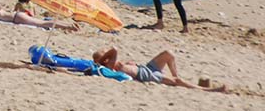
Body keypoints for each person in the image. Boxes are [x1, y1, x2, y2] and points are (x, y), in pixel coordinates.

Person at [92, 48, 225, 91]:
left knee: (168, 54)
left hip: (147, 68)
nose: (106, 54)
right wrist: (101, 60)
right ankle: (206, 89)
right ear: (103, 59)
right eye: (104, 54)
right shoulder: (108, 66)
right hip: (147, 76)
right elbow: (114, 49)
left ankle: (176, 77)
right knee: (176, 81)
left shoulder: (115, 63)